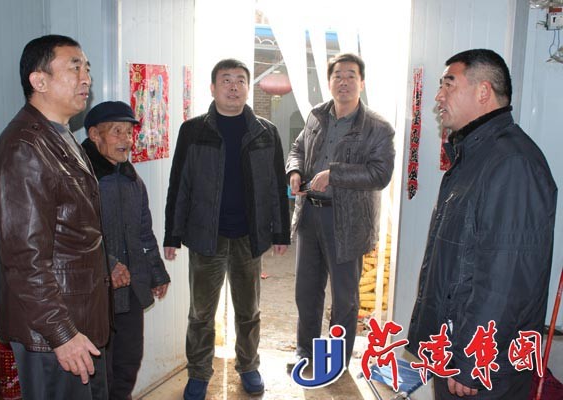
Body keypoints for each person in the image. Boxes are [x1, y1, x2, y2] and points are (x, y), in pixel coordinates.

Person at [407, 49, 557, 399]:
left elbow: (505, 281)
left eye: (449, 84)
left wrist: (471, 361)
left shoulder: (512, 163)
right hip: (456, 347)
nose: (438, 96)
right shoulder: (474, 156)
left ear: (483, 91)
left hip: (483, 364)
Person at [0, 35, 110, 400]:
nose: (86, 78)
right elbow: (24, 260)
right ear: (39, 81)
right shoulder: (24, 148)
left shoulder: (60, 135)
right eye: (75, 68)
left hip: (79, 318)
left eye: (87, 68)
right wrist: (63, 334)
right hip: (52, 334)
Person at [163, 58, 290, 400]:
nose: (233, 87)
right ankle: (199, 373)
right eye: (226, 80)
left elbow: (276, 184)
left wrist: (280, 232)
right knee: (201, 313)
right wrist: (172, 233)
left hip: (249, 237)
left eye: (240, 80)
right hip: (206, 236)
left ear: (248, 88)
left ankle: (248, 366)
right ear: (213, 87)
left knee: (249, 311)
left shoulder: (265, 132)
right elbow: (180, 184)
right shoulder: (193, 131)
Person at [285, 53, 395, 369]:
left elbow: (380, 174)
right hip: (310, 215)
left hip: (348, 222)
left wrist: (335, 174)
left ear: (362, 83)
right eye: (337, 76)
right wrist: (295, 170)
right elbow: (298, 148)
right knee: (307, 291)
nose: (343, 82)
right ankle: (305, 352)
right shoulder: (316, 115)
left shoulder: (377, 127)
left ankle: (336, 361)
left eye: (350, 76)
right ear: (329, 81)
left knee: (344, 298)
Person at [81, 101, 171, 399]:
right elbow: (76, 235)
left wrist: (157, 272)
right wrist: (107, 264)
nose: (126, 140)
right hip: (96, 292)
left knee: (129, 359)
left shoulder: (133, 179)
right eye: (117, 131)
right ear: (95, 135)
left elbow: (145, 232)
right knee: (99, 367)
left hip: (131, 289)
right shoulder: (81, 179)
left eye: (129, 132)